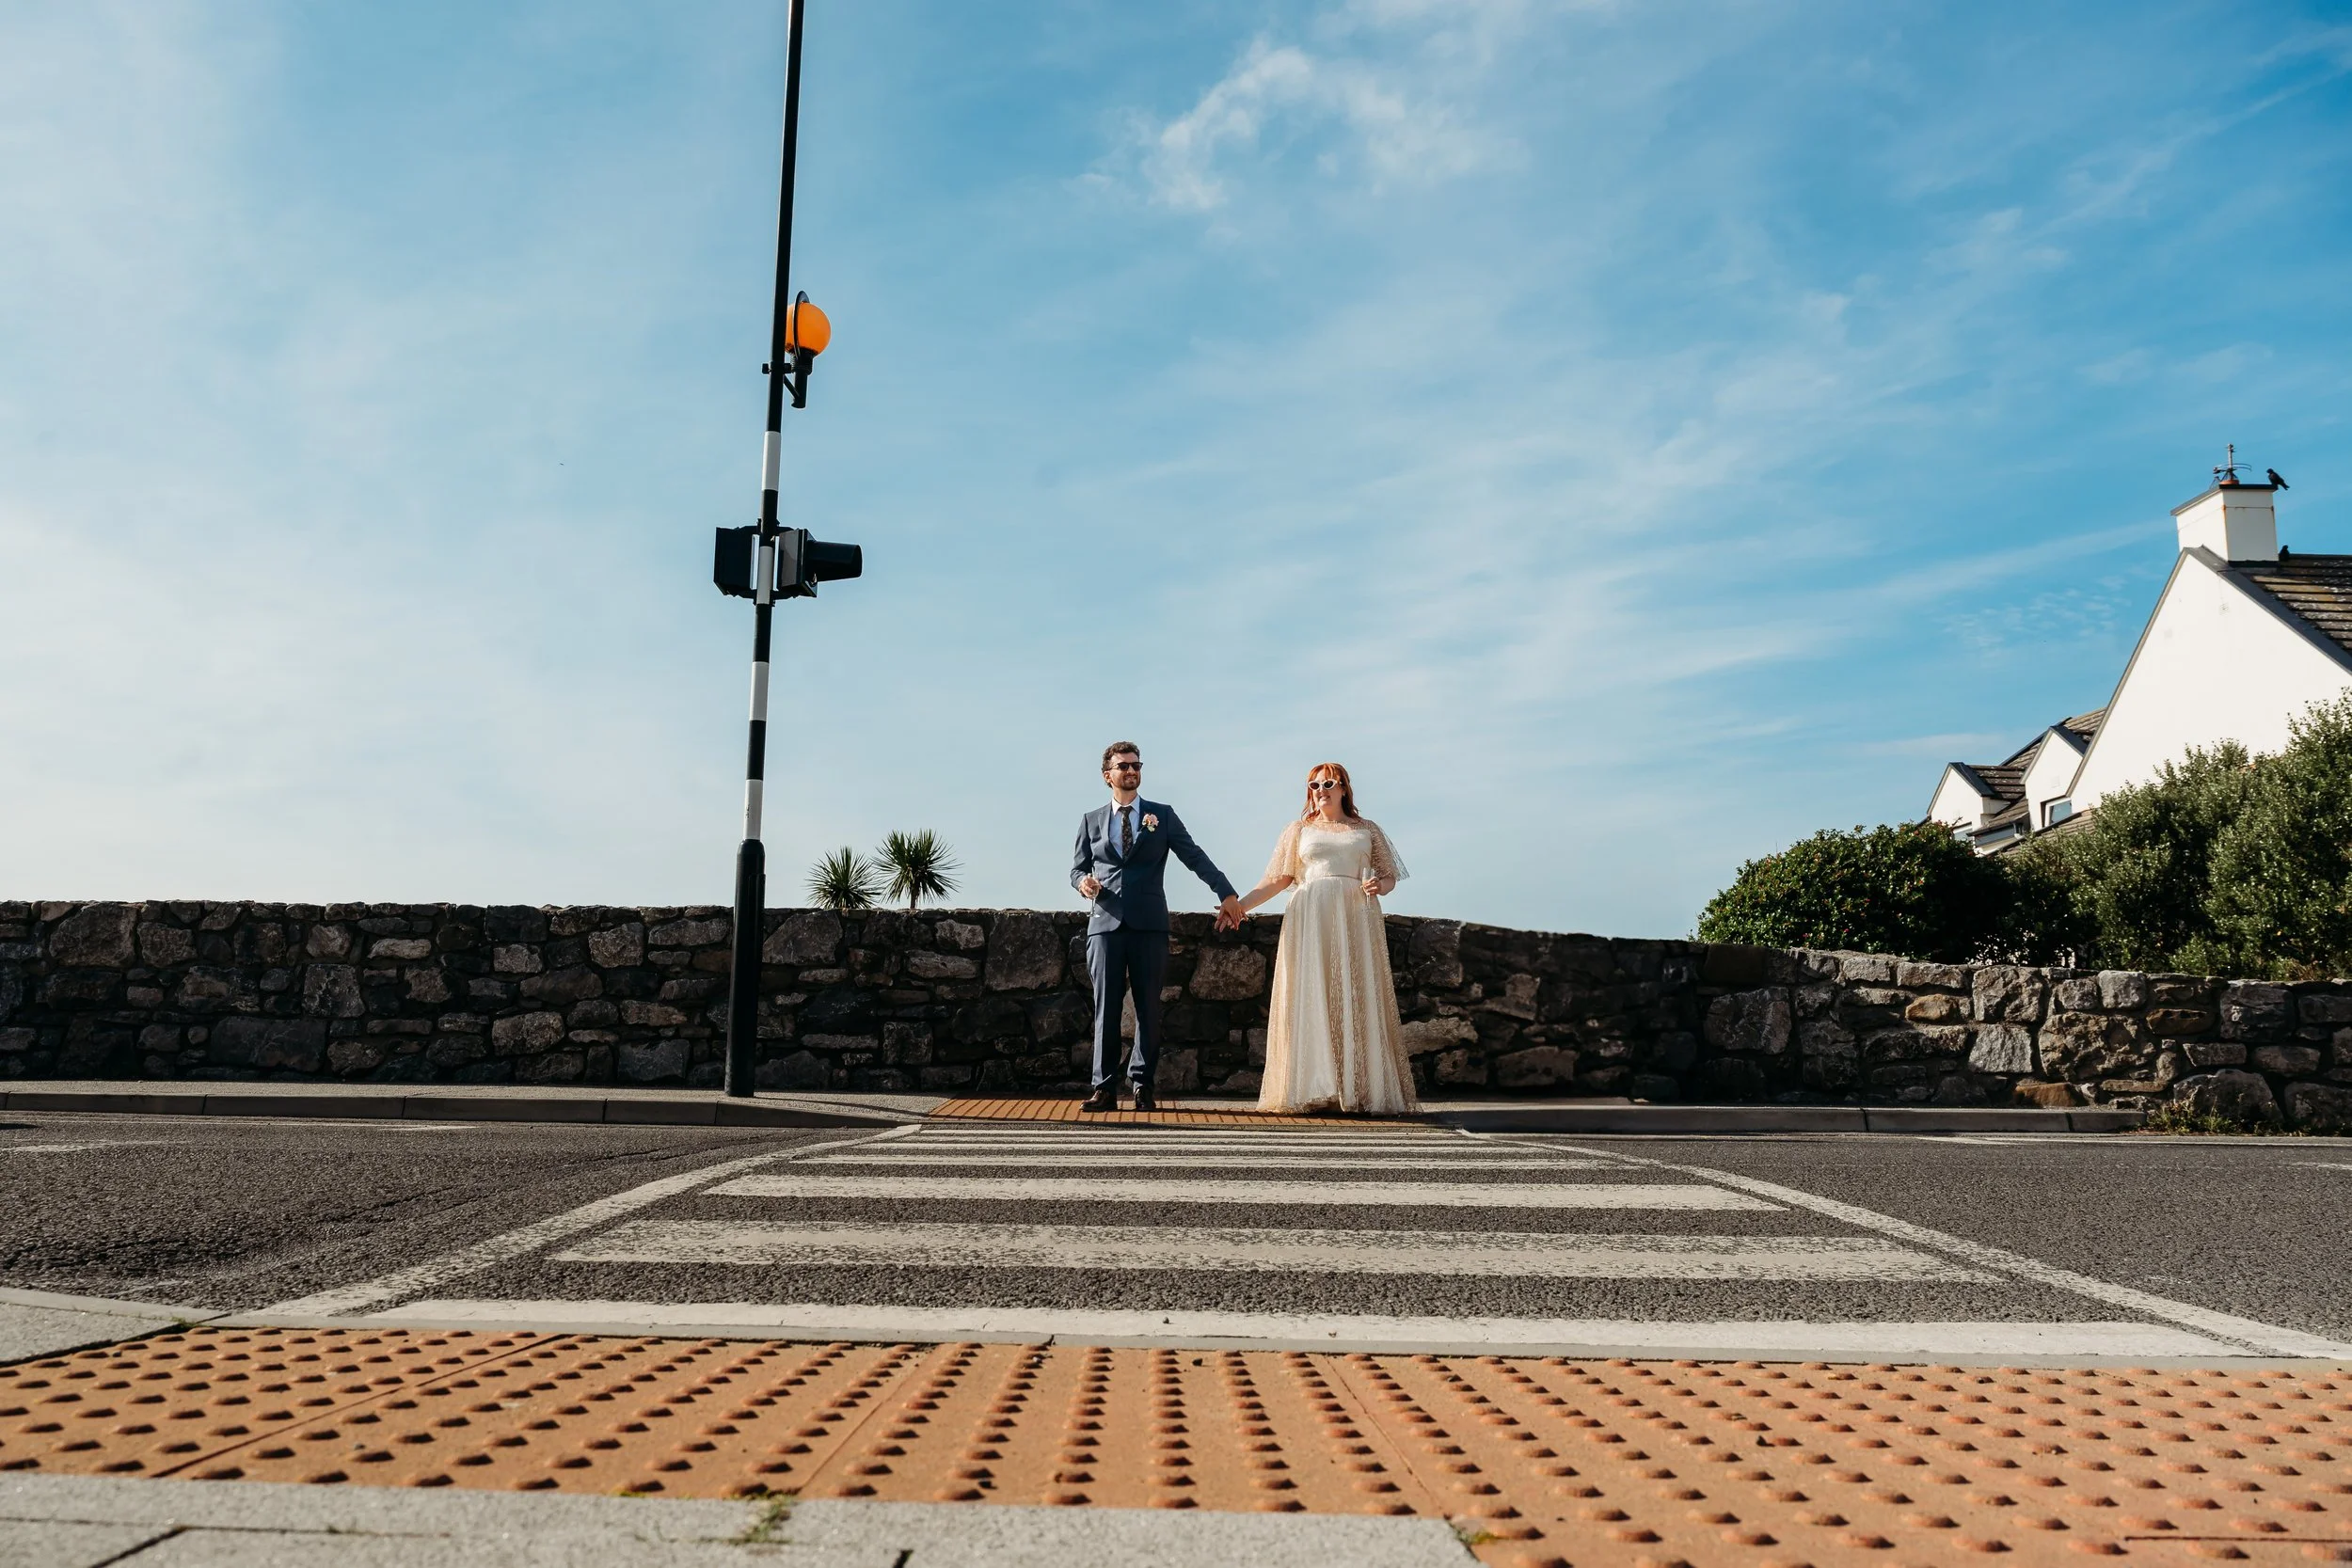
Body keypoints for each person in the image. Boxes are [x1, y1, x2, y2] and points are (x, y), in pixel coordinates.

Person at [1234, 762, 1419, 1116]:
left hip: (1356, 916)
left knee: (1355, 993)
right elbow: (1278, 879)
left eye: (1329, 783)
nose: (1321, 790)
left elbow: (1390, 876)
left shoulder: (1367, 829)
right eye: (1314, 785)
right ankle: (1312, 1087)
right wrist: (1239, 907)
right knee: (1311, 994)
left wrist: (1379, 886)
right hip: (1310, 917)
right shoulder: (1298, 830)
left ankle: (1358, 1088)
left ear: (1344, 788)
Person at [1071, 741, 1244, 1113]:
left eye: (1136, 765)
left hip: (1149, 925)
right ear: (1108, 776)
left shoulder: (1160, 816)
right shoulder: (1091, 820)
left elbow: (1193, 855)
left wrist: (1226, 892)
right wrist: (1083, 882)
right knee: (1107, 1009)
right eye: (1123, 766)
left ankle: (1141, 1086)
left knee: (1149, 1007)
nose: (1131, 771)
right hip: (1104, 925)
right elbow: (1077, 868)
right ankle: (1103, 1088)